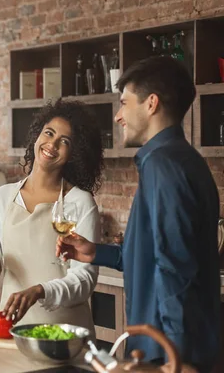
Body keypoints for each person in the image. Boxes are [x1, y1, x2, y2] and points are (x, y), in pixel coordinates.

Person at [57, 56, 220, 372]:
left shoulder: (163, 166)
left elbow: (176, 266)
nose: (118, 115)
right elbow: (155, 255)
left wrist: (177, 357)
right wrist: (96, 253)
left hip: (165, 353)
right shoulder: (185, 161)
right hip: (172, 348)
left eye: (124, 102)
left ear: (151, 104)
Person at [0, 100, 104, 332]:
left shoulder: (80, 202)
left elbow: (84, 281)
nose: (52, 144)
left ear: (74, 153)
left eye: (64, 141)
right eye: (49, 133)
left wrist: (40, 290)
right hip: (12, 331)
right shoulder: (1, 197)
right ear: (36, 136)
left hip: (66, 336)